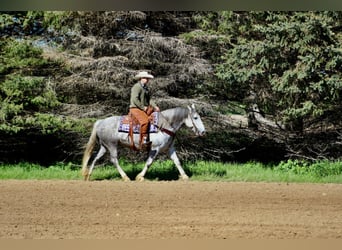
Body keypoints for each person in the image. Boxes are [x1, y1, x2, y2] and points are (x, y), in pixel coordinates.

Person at [129, 71, 160, 149]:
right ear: (141, 78)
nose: (147, 79)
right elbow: (134, 99)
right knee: (145, 121)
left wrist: (155, 106)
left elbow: (149, 99)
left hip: (143, 108)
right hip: (135, 108)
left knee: (155, 118)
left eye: (147, 78)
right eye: (145, 78)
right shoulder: (137, 87)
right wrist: (143, 107)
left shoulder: (145, 88)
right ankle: (143, 140)